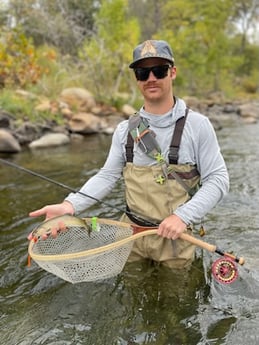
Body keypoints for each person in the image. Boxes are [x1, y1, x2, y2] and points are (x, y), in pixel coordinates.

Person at [29, 40, 229, 269]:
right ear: (137, 78)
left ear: (172, 73)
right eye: (143, 72)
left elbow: (218, 180)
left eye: (159, 70)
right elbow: (107, 176)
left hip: (177, 238)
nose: (151, 78)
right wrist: (69, 206)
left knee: (175, 299)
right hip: (130, 237)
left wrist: (182, 217)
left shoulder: (198, 125)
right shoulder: (125, 131)